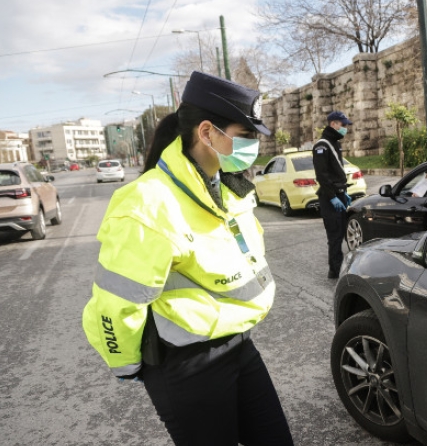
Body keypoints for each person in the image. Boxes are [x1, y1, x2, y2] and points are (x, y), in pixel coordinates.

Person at [82, 71, 294, 446]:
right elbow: (116, 302)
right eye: (245, 136)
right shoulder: (148, 203)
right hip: (185, 363)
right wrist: (127, 363)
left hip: (238, 343)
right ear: (208, 133)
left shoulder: (228, 187)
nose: (254, 146)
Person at [313, 110, 353, 279]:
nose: (345, 128)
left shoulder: (334, 142)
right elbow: (322, 175)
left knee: (343, 231)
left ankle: (341, 267)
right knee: (335, 235)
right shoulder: (322, 145)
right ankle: (335, 271)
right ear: (333, 124)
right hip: (330, 198)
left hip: (339, 194)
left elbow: (336, 171)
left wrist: (344, 193)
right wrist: (332, 197)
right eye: (343, 125)